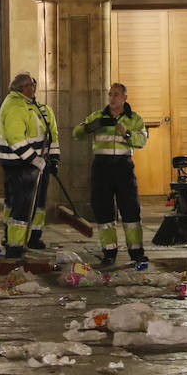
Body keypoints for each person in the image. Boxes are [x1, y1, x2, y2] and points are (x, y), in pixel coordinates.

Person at [73, 82, 148, 265]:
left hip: (123, 166)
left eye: (116, 95)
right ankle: (109, 251)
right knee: (103, 209)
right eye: (110, 94)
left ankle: (136, 251)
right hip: (102, 167)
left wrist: (126, 133)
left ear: (124, 98)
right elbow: (76, 134)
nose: (112, 98)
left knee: (130, 209)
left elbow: (142, 141)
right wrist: (90, 127)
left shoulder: (134, 118)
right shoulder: (98, 116)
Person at [0, 73, 60, 258]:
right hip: (19, 164)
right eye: (31, 85)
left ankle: (33, 236)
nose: (34, 87)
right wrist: (34, 159)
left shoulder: (40, 109)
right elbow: (16, 139)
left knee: (38, 202)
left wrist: (54, 159)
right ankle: (14, 244)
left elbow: (52, 136)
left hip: (37, 164)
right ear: (22, 88)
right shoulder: (15, 106)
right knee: (21, 204)